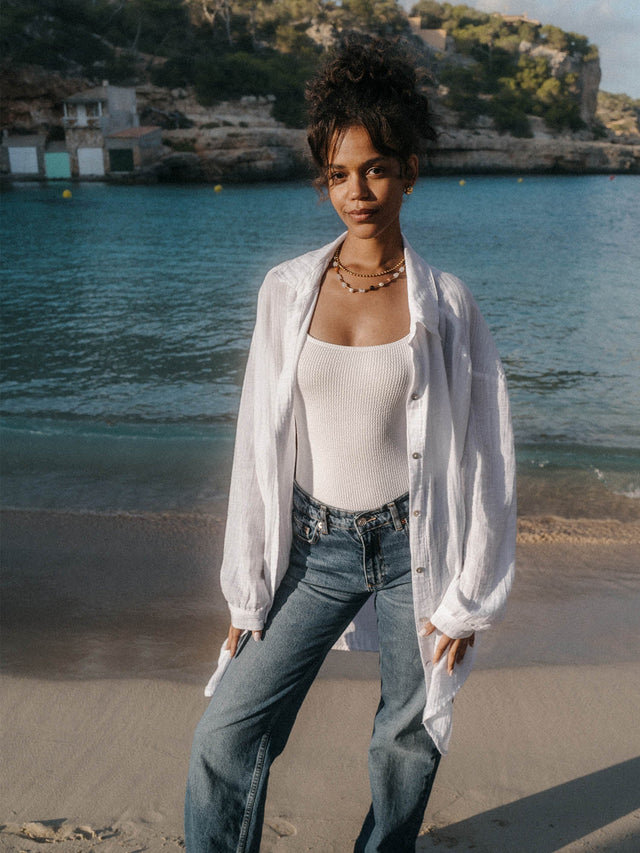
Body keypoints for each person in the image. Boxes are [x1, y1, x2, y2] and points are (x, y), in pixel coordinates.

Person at [185, 36, 516, 853]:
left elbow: (487, 454)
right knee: (226, 735)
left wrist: (471, 595)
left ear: (410, 170)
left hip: (415, 548)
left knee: (406, 740)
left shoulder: (447, 304)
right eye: (338, 174)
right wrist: (246, 591)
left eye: (375, 169)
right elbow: (256, 447)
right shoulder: (286, 291)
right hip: (313, 546)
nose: (357, 192)